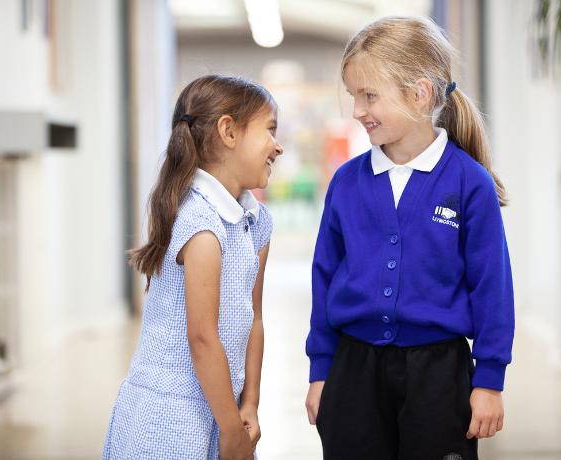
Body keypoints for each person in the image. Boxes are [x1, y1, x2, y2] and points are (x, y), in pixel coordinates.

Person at [305, 16, 515, 460]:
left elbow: (492, 287)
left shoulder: (469, 183)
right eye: (353, 96)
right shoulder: (345, 183)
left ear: (419, 94)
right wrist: (321, 371)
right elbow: (324, 278)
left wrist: (489, 380)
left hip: (439, 375)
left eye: (369, 96)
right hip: (353, 371)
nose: (357, 110)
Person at [103, 74, 283, 460]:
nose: (277, 146)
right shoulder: (200, 222)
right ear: (228, 132)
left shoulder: (257, 222)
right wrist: (231, 432)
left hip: (223, 406)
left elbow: (254, 319)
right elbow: (202, 338)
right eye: (269, 130)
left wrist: (249, 403)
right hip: (168, 417)